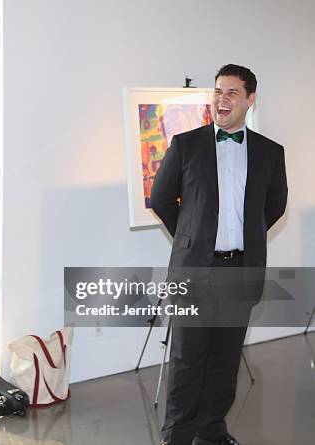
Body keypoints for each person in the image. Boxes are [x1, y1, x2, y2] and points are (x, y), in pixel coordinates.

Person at [150, 64, 287, 445]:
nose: (222, 99)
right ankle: (177, 436)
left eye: (231, 93)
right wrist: (193, 237)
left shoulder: (269, 152)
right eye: (217, 91)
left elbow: (274, 205)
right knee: (186, 361)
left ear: (249, 100)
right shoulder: (186, 144)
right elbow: (161, 198)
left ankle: (211, 431)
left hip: (240, 272)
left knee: (225, 362)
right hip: (195, 271)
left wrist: (245, 236)